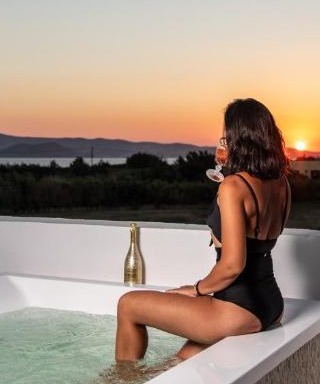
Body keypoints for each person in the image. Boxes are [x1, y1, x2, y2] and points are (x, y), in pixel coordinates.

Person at [114, 98, 292, 363]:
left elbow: (233, 265)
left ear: (237, 137)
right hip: (271, 304)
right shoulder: (282, 184)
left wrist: (197, 289)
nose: (223, 140)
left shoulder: (233, 187)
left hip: (236, 308)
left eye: (226, 135)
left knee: (128, 305)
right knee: (178, 362)